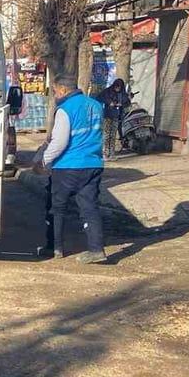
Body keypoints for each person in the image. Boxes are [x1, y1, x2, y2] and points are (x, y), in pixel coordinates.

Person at [39, 74, 107, 264]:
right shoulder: (95, 105)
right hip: (93, 164)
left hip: (68, 166)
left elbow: (60, 142)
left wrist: (44, 161)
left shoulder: (65, 109)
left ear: (62, 89)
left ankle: (55, 248)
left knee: (56, 207)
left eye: (54, 91)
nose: (54, 95)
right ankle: (96, 249)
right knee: (89, 208)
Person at [97, 78, 131, 157]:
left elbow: (127, 103)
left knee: (113, 135)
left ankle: (112, 153)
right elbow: (99, 97)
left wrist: (121, 104)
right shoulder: (107, 91)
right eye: (116, 87)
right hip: (108, 116)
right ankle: (105, 153)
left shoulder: (122, 94)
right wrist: (109, 102)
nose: (117, 89)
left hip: (117, 116)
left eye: (119, 87)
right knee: (106, 135)